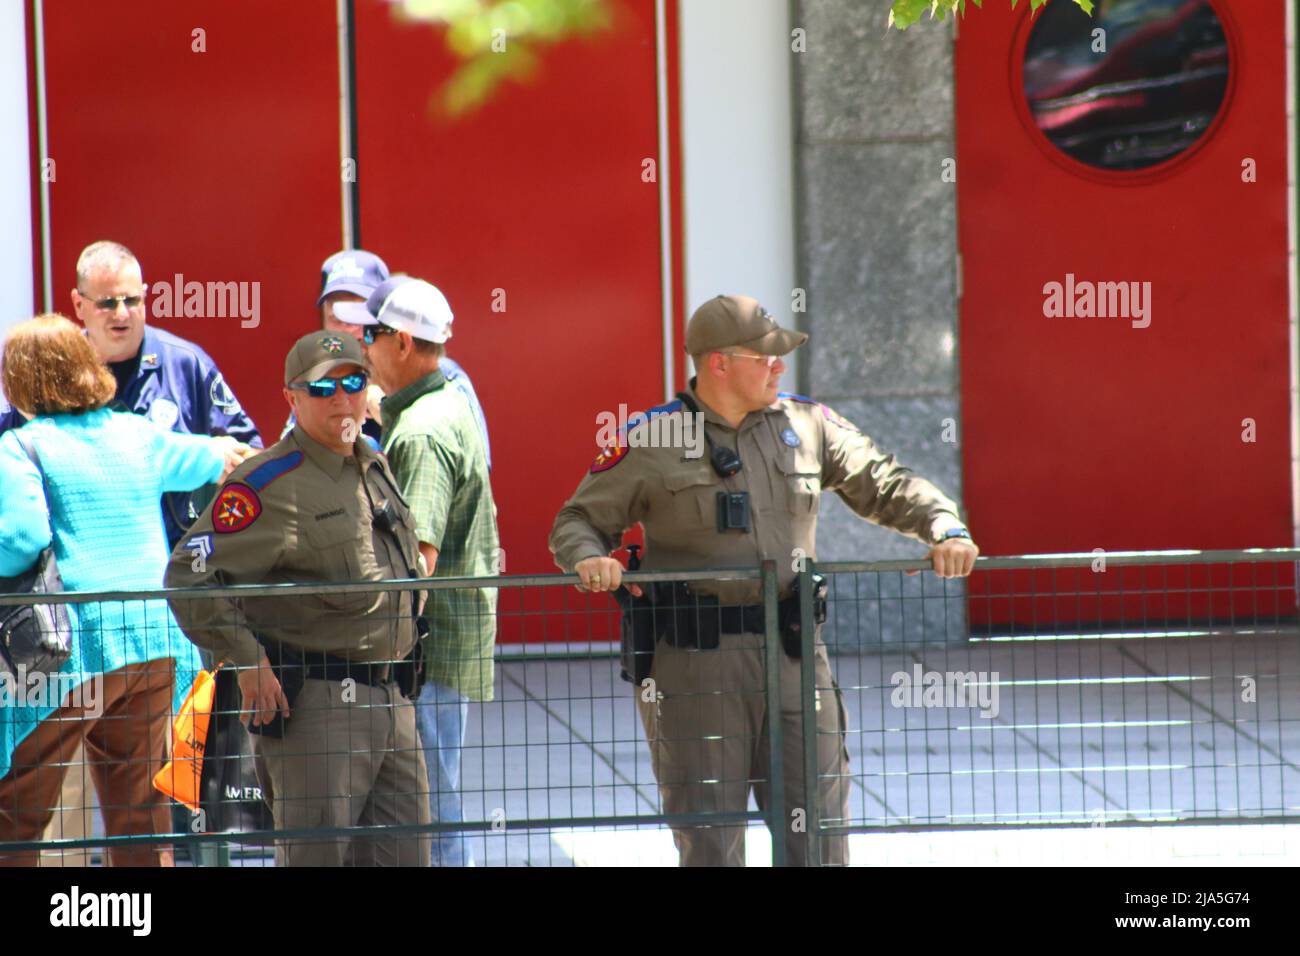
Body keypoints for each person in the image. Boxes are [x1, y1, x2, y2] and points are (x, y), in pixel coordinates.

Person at [548, 294, 980, 866]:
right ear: (719, 363)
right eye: (765, 356)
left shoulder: (807, 424)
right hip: (697, 665)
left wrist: (943, 526)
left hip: (795, 654)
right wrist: (590, 559)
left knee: (819, 829)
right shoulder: (653, 438)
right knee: (710, 838)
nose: (779, 366)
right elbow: (576, 520)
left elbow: (884, 480)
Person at [164, 331, 432, 867]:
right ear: (292, 398)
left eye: (353, 381)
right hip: (318, 707)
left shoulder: (373, 463)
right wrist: (247, 658)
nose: (341, 397)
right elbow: (187, 576)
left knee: (405, 857)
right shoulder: (267, 484)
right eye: (321, 387)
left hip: (394, 698)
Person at [0, 315, 251, 867]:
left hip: (75, 653)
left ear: (21, 381)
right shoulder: (135, 433)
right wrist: (227, 451)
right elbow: (212, 457)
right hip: (155, 646)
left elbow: (20, 539)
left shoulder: (21, 447)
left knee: (17, 812)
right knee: (139, 812)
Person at [345, 276, 499, 867]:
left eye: (371, 334)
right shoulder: (440, 404)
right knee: (432, 794)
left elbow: (417, 565)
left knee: (428, 804)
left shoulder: (424, 431)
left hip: (424, 656)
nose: (363, 346)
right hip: (434, 649)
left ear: (402, 342)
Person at [0, 241, 264, 549]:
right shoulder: (52, 371)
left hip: (181, 564)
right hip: (78, 568)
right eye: (107, 303)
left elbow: (250, 457)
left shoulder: (185, 364)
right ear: (78, 304)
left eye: (132, 300)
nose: (122, 313)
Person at [281, 250, 492, 469]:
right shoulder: (319, 382)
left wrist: (387, 408)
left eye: (359, 314)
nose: (348, 329)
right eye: (336, 316)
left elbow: (473, 465)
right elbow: (289, 467)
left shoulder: (441, 375)